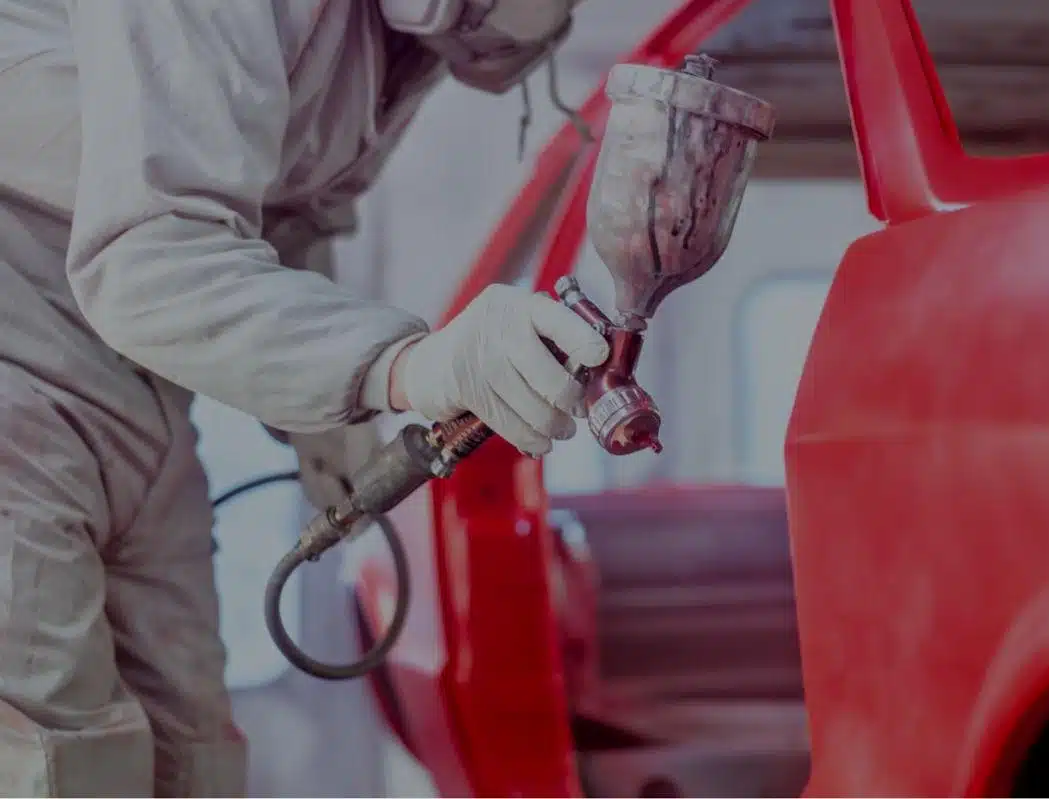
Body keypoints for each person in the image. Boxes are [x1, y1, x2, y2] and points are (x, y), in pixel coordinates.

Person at [0, 0, 607, 795]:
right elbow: (149, 261)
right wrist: (396, 363)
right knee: (57, 761)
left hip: (140, 381)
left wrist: (323, 413)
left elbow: (281, 212)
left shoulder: (393, 42)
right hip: (21, 345)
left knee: (194, 756)